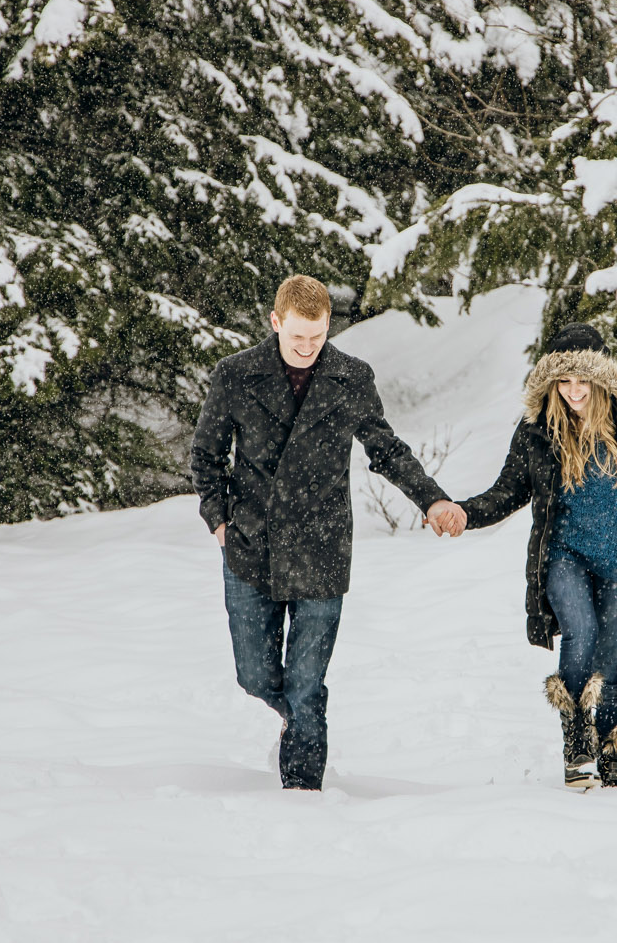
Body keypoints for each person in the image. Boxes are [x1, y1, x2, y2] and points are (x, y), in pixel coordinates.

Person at [190, 275, 466, 791]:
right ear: (275, 323)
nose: (306, 347)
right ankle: (296, 721)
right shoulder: (235, 375)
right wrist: (220, 521)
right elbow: (205, 456)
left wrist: (432, 498)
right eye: (296, 337)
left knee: (307, 682)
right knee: (254, 676)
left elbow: (386, 448)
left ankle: (302, 789)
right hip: (251, 546)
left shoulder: (350, 378)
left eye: (316, 338)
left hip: (322, 547)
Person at [461, 323, 617, 788]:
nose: (574, 390)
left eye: (583, 379)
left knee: (611, 660)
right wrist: (463, 513)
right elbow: (507, 492)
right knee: (579, 633)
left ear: (603, 378)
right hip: (567, 555)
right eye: (563, 381)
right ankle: (578, 745)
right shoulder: (538, 432)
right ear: (551, 384)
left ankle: (611, 749)